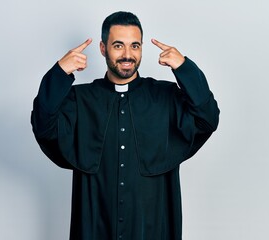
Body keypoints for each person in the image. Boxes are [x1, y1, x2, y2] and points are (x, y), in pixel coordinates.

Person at [31, 11, 219, 240]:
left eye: (135, 46)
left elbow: (208, 118)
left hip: (152, 229)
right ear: (103, 48)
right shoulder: (79, 100)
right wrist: (59, 73)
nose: (127, 55)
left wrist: (185, 68)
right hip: (95, 229)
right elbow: (43, 125)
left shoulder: (166, 97)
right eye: (118, 46)